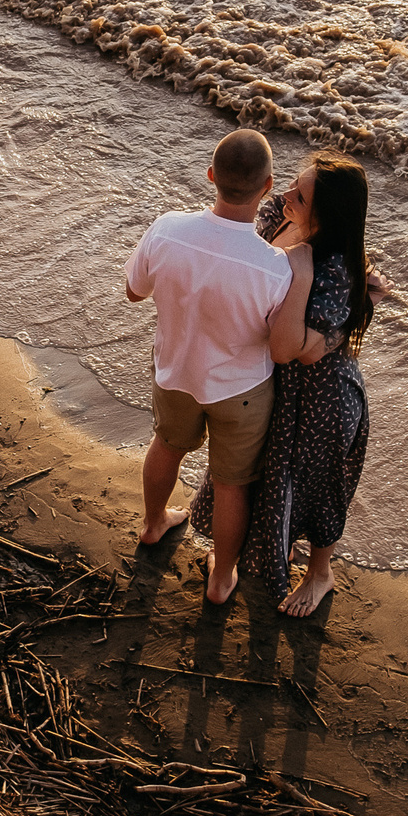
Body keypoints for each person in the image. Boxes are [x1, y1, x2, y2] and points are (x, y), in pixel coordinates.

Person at [191, 153, 378, 617]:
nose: (284, 197)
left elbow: (297, 349)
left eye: (300, 195)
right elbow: (243, 256)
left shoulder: (335, 269)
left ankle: (320, 575)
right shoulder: (278, 215)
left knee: (318, 487)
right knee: (258, 473)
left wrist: (304, 270)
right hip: (273, 383)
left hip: (322, 396)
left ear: (326, 214)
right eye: (292, 185)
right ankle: (251, 551)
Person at [124, 129, 292, 606]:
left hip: (175, 372)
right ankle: (221, 581)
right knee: (231, 483)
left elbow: (134, 291)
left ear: (211, 175)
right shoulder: (274, 267)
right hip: (241, 389)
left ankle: (154, 524)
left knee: (167, 445)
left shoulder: (167, 229)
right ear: (267, 187)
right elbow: (280, 340)